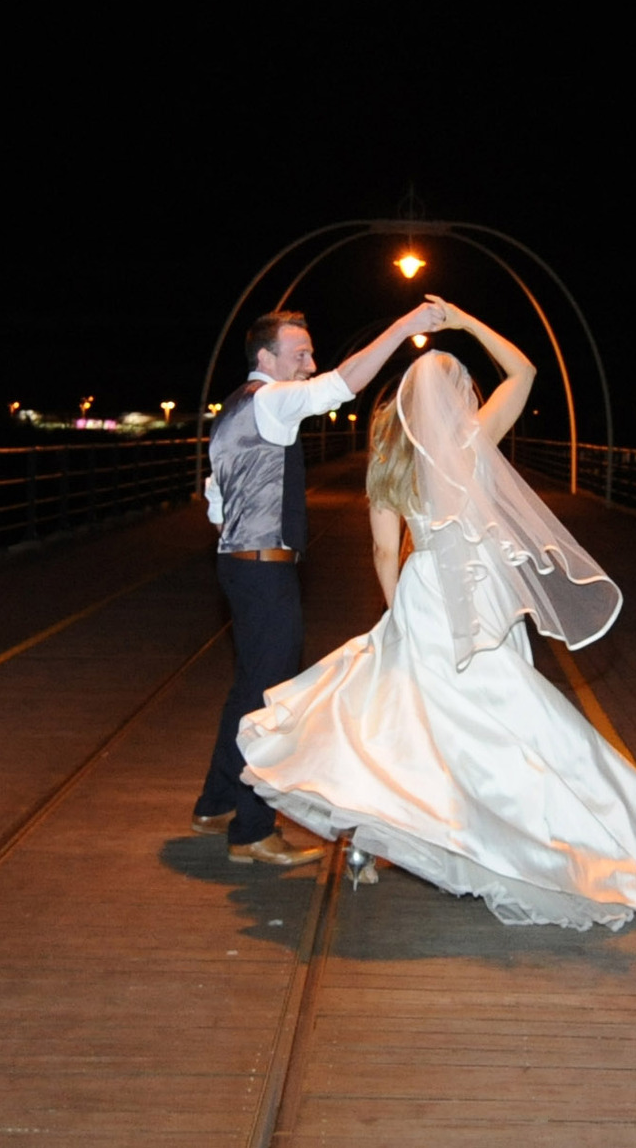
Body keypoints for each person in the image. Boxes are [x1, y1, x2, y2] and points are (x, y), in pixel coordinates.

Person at [237, 299, 636, 928]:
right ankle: (556, 837)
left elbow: (384, 550)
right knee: (510, 722)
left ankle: (379, 838)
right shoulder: (474, 441)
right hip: (480, 593)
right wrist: (467, 322)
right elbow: (524, 373)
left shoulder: (387, 457)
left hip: (422, 593)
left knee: (407, 726)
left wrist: (398, 613)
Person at [195, 300, 446, 866]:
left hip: (239, 563)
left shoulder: (234, 408)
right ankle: (252, 832)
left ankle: (216, 803)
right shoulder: (271, 400)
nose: (309, 364)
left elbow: (217, 502)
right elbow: (343, 383)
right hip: (264, 569)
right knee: (269, 698)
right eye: (299, 354)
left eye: (310, 354)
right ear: (266, 358)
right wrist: (405, 326)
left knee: (248, 688)